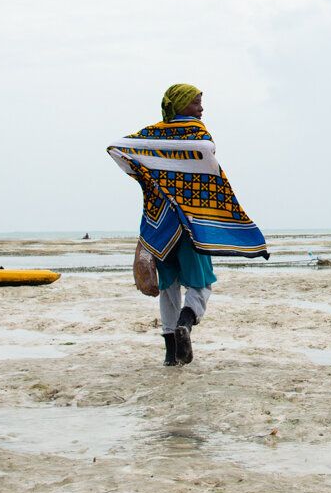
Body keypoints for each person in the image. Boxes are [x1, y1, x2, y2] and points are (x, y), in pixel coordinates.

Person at [107, 84, 268, 365]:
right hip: (191, 223)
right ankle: (186, 323)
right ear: (181, 104)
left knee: (168, 290)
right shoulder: (197, 134)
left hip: (159, 225)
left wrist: (146, 173)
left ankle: (171, 355)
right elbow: (206, 157)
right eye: (196, 103)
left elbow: (119, 148)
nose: (201, 109)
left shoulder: (153, 135)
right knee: (201, 285)